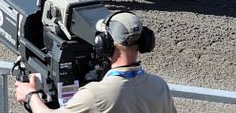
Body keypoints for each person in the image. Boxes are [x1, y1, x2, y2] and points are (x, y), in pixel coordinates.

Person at [14, 12, 177, 113]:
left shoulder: (95, 94)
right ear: (145, 42)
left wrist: (30, 95)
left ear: (104, 44)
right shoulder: (159, 86)